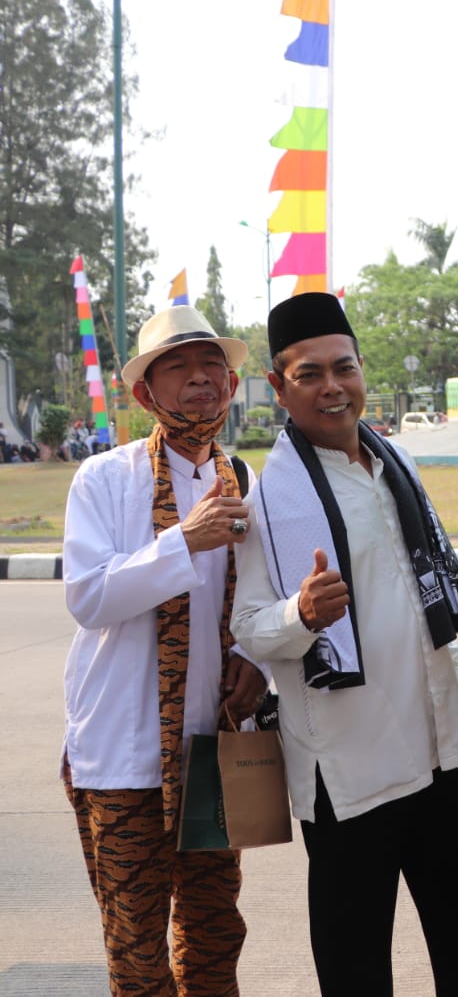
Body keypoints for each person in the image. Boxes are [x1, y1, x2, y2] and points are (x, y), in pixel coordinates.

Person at [231, 292, 458, 997]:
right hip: (349, 771)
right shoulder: (269, 499)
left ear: (361, 370)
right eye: (308, 374)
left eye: (341, 368)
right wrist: (301, 614)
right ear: (280, 387)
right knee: (356, 969)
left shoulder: (395, 464)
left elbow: (422, 593)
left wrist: (455, 689)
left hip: (438, 751)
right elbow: (249, 627)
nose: (330, 387)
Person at [61, 305, 266, 995]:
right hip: (122, 756)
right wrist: (184, 541)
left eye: (212, 364)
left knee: (214, 933)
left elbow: (262, 601)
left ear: (233, 386)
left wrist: (257, 661)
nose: (200, 378)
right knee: (136, 940)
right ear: (145, 394)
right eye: (176, 366)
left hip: (213, 751)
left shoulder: (245, 481)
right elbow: (89, 598)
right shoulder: (104, 479)